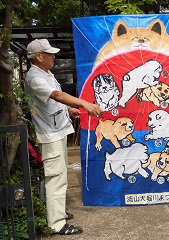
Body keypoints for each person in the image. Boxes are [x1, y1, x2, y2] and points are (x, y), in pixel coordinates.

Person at [24, 39, 104, 235]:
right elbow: (57, 96)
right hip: (50, 135)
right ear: (39, 57)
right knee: (55, 179)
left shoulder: (46, 74)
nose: (54, 57)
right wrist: (84, 104)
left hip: (58, 131)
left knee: (60, 176)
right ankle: (57, 224)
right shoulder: (34, 78)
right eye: (50, 54)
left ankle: (57, 213)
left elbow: (55, 100)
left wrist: (69, 110)